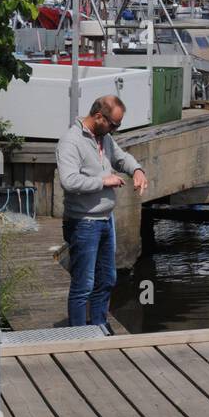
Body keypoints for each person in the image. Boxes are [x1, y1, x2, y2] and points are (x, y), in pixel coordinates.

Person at [55, 95, 148, 327]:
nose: (115, 129)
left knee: (107, 279)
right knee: (83, 283)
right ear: (98, 117)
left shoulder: (103, 137)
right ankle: (77, 335)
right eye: (113, 124)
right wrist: (102, 181)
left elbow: (120, 157)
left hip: (106, 219)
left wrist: (136, 170)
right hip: (84, 221)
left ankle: (99, 327)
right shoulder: (70, 142)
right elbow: (69, 180)